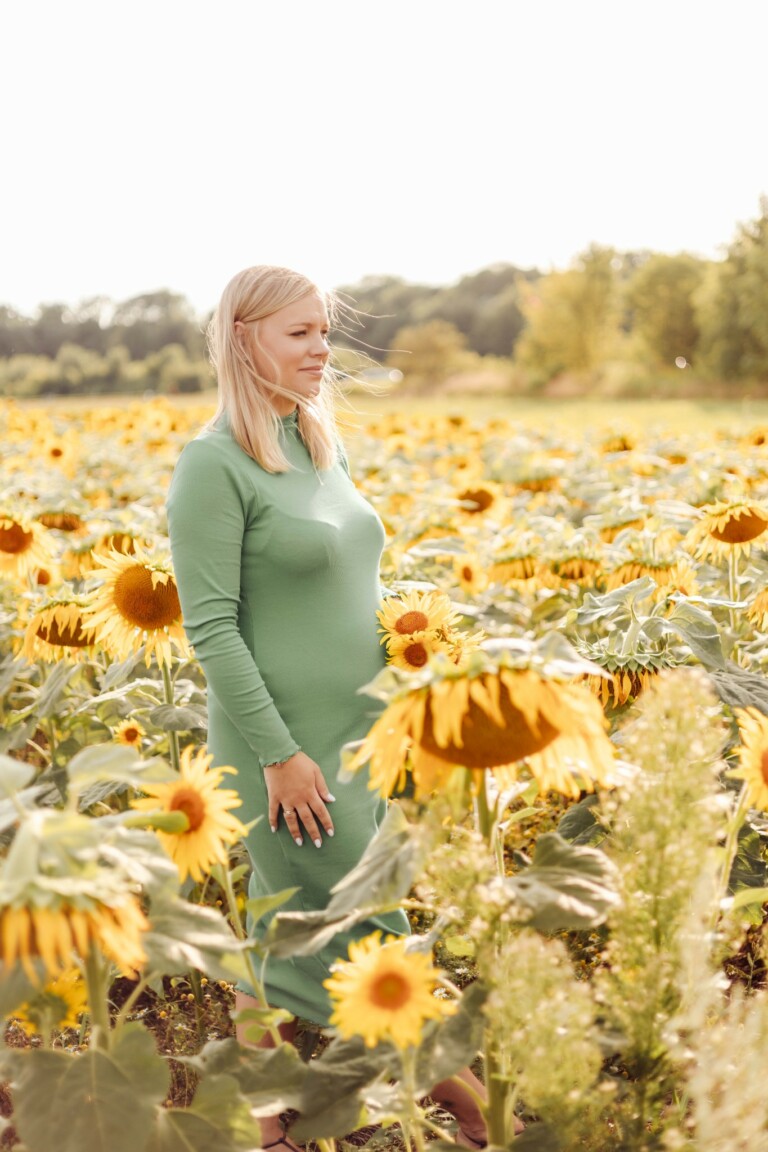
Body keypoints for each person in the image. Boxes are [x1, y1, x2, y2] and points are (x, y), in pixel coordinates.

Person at [166, 265, 516, 1149]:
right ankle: (478, 1116)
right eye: (300, 334)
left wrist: (413, 642)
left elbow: (344, 585)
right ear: (244, 340)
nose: (323, 349)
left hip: (357, 737)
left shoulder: (319, 447)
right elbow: (211, 630)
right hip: (283, 747)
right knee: (370, 932)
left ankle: (265, 1121)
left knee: (282, 937)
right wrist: (280, 755)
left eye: (325, 331)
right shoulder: (214, 465)